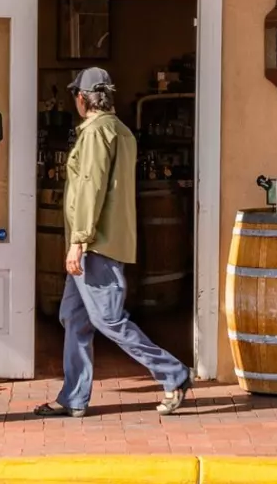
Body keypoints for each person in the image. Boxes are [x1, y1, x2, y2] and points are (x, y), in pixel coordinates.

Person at [33, 67, 192, 419]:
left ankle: (173, 373)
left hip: (96, 246)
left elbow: (90, 188)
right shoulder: (120, 130)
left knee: (109, 320)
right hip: (105, 242)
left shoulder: (95, 134)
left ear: (81, 98)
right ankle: (74, 397)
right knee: (74, 318)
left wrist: (79, 241)